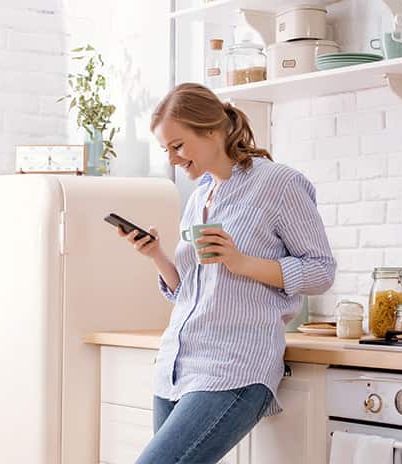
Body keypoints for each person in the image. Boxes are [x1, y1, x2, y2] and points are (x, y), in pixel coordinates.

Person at [118, 83, 336, 464]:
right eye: (165, 150)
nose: (172, 159)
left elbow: (321, 271)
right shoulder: (201, 196)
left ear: (212, 131)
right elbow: (191, 291)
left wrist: (243, 262)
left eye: (178, 145)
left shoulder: (278, 184)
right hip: (176, 366)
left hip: (234, 368)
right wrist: (157, 256)